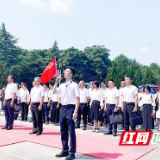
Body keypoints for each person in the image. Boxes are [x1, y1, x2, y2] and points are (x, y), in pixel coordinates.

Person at [53, 66, 80, 160]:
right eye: (65, 71)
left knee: (71, 131)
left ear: (71, 74)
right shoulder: (62, 85)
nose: (64, 72)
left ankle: (72, 152)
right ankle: (65, 150)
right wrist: (56, 81)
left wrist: (76, 111)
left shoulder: (74, 85)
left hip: (71, 108)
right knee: (63, 130)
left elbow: (77, 99)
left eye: (67, 71)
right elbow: (54, 92)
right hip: (63, 108)